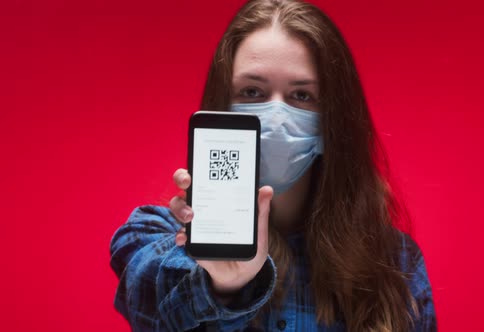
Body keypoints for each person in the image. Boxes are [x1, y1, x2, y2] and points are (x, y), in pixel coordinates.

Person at [110, 0, 436, 331]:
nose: (277, 117)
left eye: (302, 95)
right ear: (221, 105)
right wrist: (223, 285)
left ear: (333, 119)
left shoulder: (397, 261)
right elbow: (148, 298)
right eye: (252, 91)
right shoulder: (153, 234)